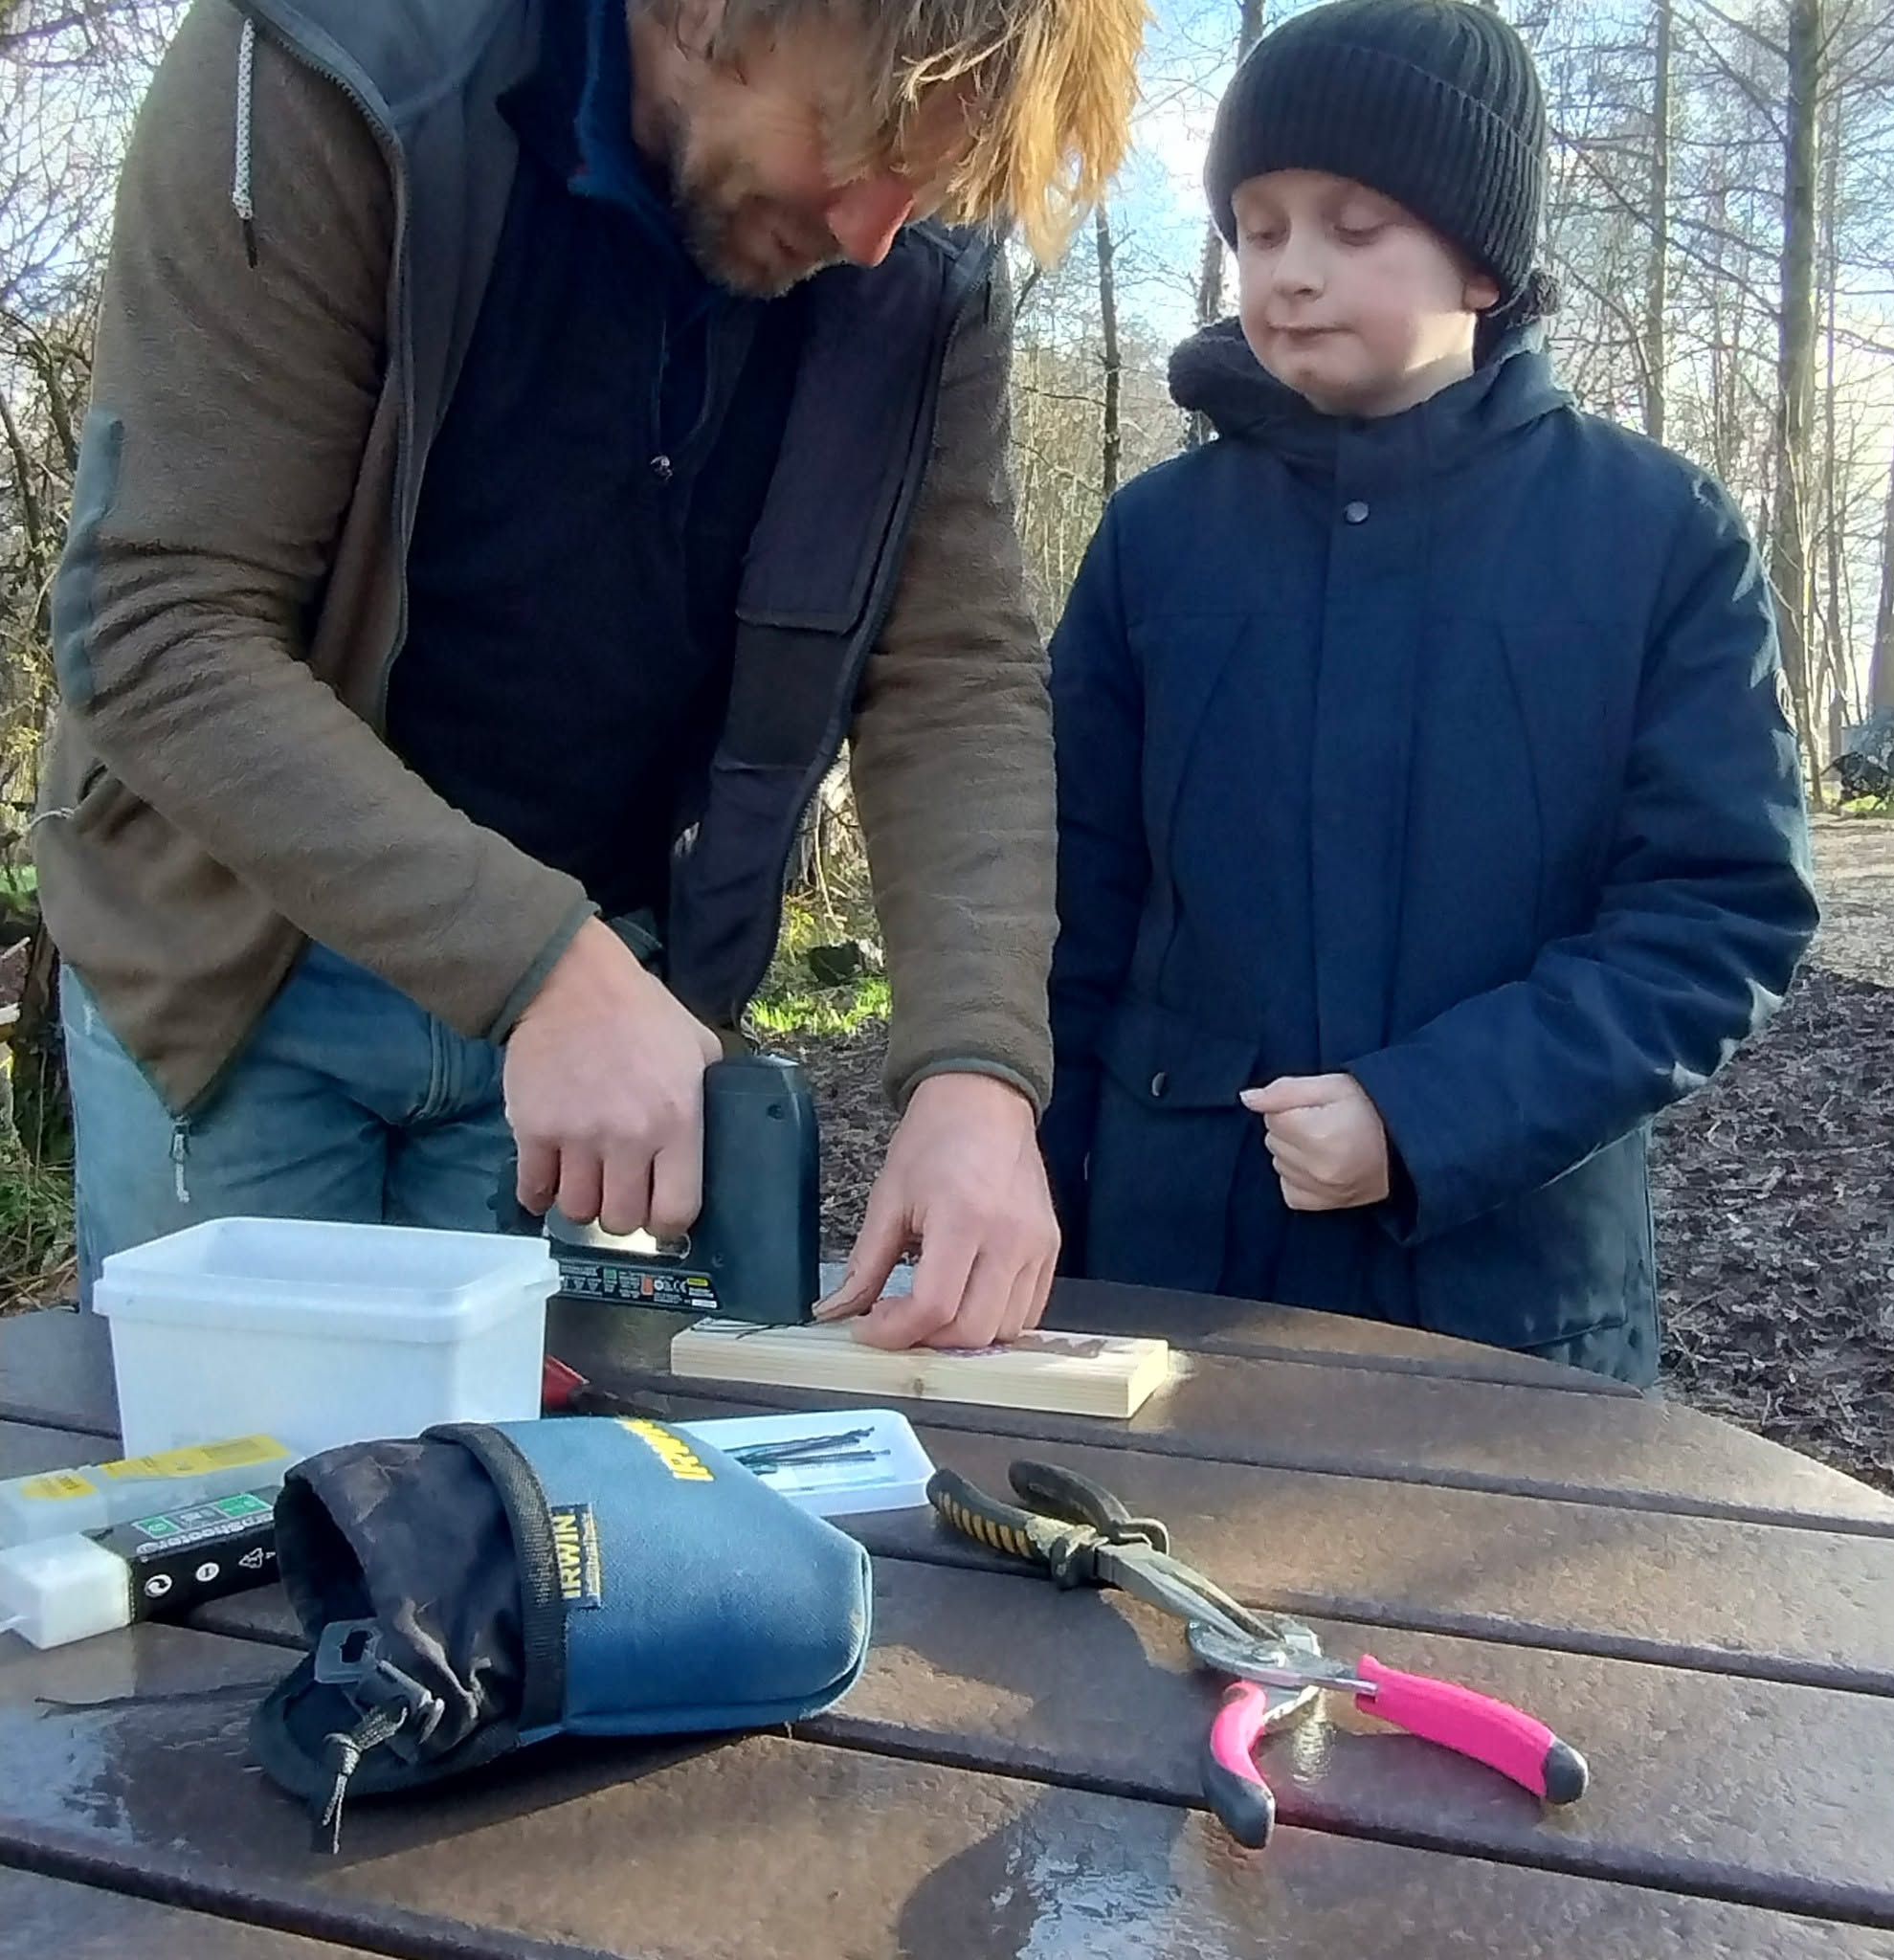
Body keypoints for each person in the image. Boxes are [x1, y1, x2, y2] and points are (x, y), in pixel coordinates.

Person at [37, 0, 1146, 1351]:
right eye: (859, 149)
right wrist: (542, 966)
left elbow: (954, 669)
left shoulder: (917, 262)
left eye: (927, 187)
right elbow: (160, 625)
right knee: (245, 1468)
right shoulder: (335, 67)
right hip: (247, 972)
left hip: (613, 1009)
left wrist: (976, 1072)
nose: (872, 235)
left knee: (542, 1470)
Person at [1038, 0, 1818, 1386]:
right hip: (1173, 1284)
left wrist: (1425, 1115)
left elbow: (1717, 910)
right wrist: (1020, 1191)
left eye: (1355, 228)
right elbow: (1067, 905)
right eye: (1258, 229)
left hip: (1507, 1304)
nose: (1291, 272)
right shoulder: (1157, 539)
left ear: (1482, 261)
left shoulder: (1653, 535)